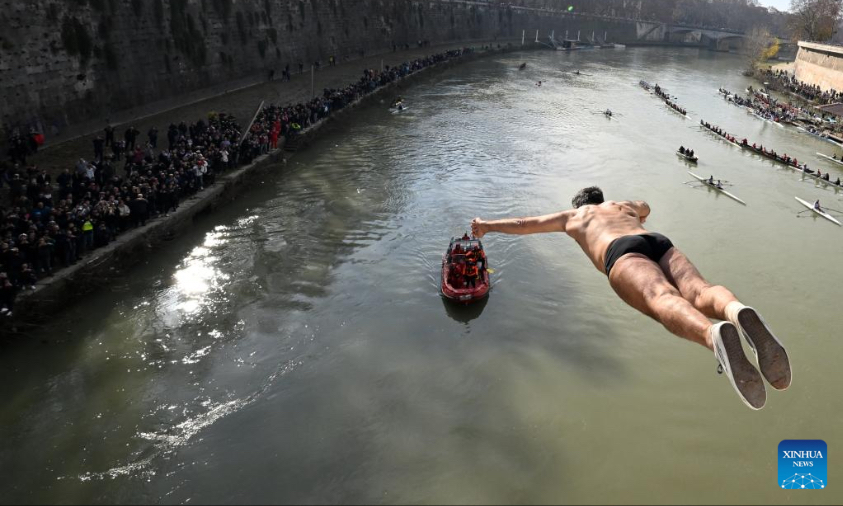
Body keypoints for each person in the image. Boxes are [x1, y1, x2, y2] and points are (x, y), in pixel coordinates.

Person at [471, 187, 791, 410]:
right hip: (655, 239)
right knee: (701, 291)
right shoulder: (621, 205)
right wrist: (637, 212)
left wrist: (485, 226)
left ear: (579, 203)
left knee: (659, 296)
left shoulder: (574, 216)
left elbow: (524, 225)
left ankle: (713, 336)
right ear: (601, 199)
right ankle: (736, 310)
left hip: (619, 251)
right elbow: (646, 206)